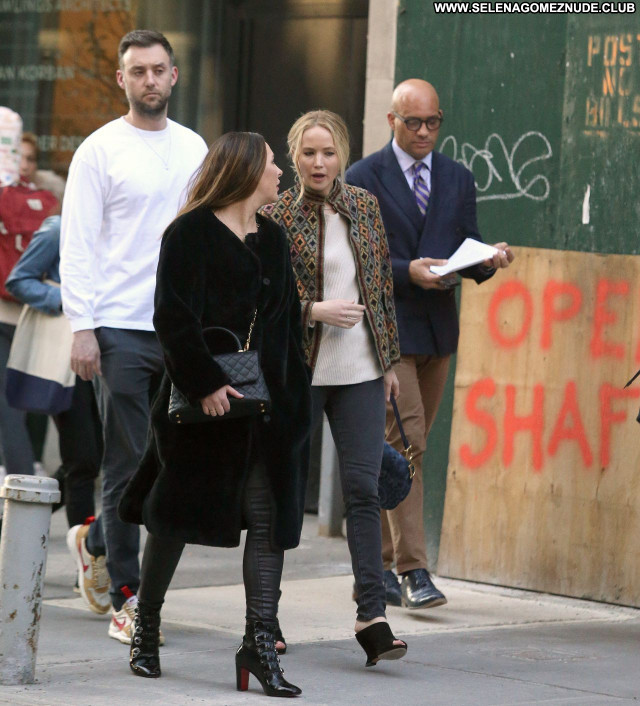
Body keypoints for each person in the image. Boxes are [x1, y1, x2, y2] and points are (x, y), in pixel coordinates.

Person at [117, 131, 311, 697]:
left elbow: (286, 323)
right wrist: (203, 383)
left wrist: (292, 394)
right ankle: (146, 625)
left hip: (265, 409)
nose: (281, 172)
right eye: (272, 163)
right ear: (246, 171)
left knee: (269, 521)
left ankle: (258, 645)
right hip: (200, 409)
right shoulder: (189, 233)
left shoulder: (273, 238)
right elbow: (172, 318)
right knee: (174, 519)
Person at [60, 29, 208, 640]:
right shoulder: (99, 150)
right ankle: (128, 595)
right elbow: (77, 243)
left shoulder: (195, 147)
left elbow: (204, 238)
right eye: (138, 71)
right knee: (124, 463)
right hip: (118, 326)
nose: (149, 79)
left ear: (174, 75)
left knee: (168, 462)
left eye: (158, 69)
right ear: (122, 79)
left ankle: (95, 538)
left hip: (179, 328)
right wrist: (82, 327)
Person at [346, 78, 515, 610]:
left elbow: (467, 245)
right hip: (388, 331)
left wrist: (488, 260)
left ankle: (373, 568)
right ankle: (414, 570)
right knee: (408, 443)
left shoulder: (457, 177)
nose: (424, 132)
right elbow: (354, 258)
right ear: (392, 121)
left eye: (432, 122)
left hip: (438, 331)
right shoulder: (362, 177)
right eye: (413, 122)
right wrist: (407, 272)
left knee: (399, 450)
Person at [262, 110, 408, 668]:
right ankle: (264, 617)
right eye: (308, 153)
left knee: (363, 491)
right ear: (294, 156)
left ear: (342, 155)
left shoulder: (365, 207)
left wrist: (388, 360)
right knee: (281, 493)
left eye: (328, 153)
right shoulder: (275, 214)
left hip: (360, 371)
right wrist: (313, 310)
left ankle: (372, 616)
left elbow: (380, 287)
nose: (318, 163)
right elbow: (264, 297)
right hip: (298, 373)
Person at [6, 210, 103, 534]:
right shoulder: (60, 228)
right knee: (83, 460)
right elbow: (18, 280)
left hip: (112, 356)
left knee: (92, 457)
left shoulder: (127, 230)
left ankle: (18, 522)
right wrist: (68, 300)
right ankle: (86, 552)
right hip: (67, 356)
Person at [0, 131, 58, 478]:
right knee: (23, 397)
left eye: (31, 158)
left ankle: (21, 474)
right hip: (32, 310)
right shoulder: (49, 201)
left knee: (15, 402)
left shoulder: (48, 199)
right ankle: (27, 470)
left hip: (25, 313)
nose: (24, 164)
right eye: (18, 157)